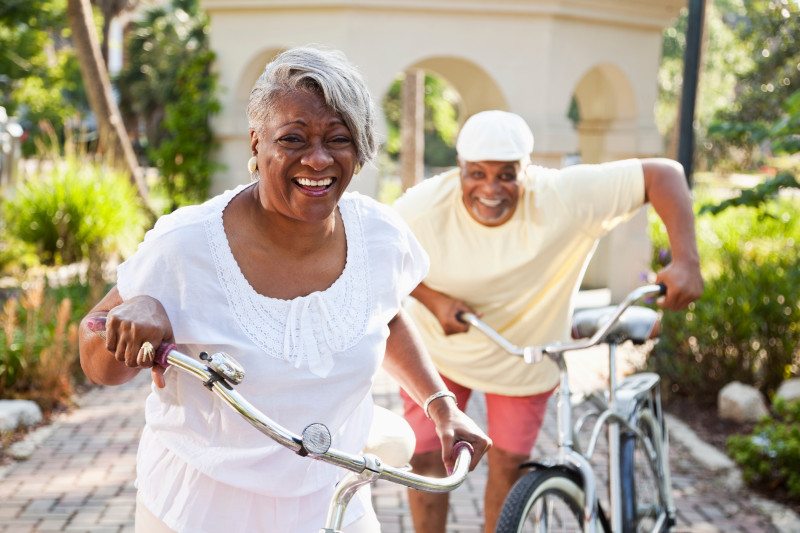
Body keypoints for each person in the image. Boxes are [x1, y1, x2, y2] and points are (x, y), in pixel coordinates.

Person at [78, 46, 490, 533]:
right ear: (256, 144)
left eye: (338, 138)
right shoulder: (186, 245)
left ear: (358, 150)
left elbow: (384, 316)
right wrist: (139, 312)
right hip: (199, 507)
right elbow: (95, 359)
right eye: (293, 138)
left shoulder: (381, 236)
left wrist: (441, 406)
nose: (317, 159)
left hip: (334, 501)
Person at [392, 110, 704, 533]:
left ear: (527, 170)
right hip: (441, 350)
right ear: (459, 170)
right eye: (477, 173)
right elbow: (380, 260)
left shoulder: (563, 196)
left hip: (525, 355)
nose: (490, 188)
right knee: (426, 456)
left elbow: (663, 174)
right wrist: (432, 299)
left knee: (508, 465)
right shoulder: (422, 206)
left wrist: (686, 261)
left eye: (506, 175)